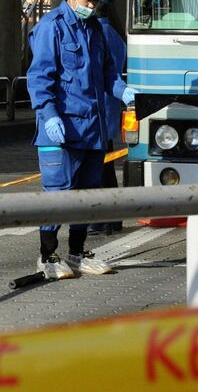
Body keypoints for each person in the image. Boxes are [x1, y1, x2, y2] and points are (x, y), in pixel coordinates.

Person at [27, 0, 136, 280]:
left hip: (92, 129)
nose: (93, 7)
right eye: (89, 0)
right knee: (58, 194)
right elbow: (39, 78)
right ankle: (47, 255)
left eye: (98, 3)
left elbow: (107, 77)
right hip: (59, 129)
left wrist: (123, 90)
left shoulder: (96, 30)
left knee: (87, 194)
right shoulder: (52, 27)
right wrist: (48, 115)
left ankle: (77, 253)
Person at [87, 15, 127, 235]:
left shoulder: (97, 34)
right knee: (106, 166)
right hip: (109, 106)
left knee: (96, 169)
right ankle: (113, 218)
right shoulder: (114, 35)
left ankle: (100, 220)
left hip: (95, 109)